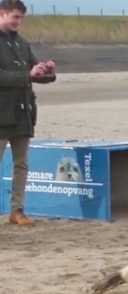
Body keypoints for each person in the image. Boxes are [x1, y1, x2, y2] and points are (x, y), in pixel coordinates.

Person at [0, 0, 56, 225]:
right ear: (2, 14)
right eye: (15, 17)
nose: (18, 22)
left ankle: (17, 210)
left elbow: (34, 72)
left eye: (21, 18)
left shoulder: (22, 43)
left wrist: (48, 72)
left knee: (21, 164)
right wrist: (28, 75)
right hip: (1, 114)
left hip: (23, 113)